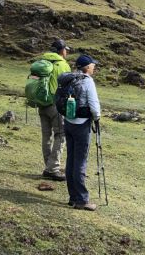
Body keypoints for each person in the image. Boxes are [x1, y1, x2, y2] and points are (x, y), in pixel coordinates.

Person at [65, 54, 101, 211]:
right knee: (80, 161)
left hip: (68, 121)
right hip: (81, 125)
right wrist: (97, 117)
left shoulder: (71, 78)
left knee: (71, 159)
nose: (94, 67)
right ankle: (81, 199)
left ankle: (73, 197)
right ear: (87, 67)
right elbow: (93, 104)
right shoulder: (88, 82)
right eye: (93, 65)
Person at [38, 39, 71, 181]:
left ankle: (49, 166)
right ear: (60, 50)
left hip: (41, 103)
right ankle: (52, 168)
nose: (67, 52)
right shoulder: (63, 65)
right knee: (61, 134)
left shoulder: (42, 62)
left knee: (46, 135)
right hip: (55, 104)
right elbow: (68, 85)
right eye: (65, 49)